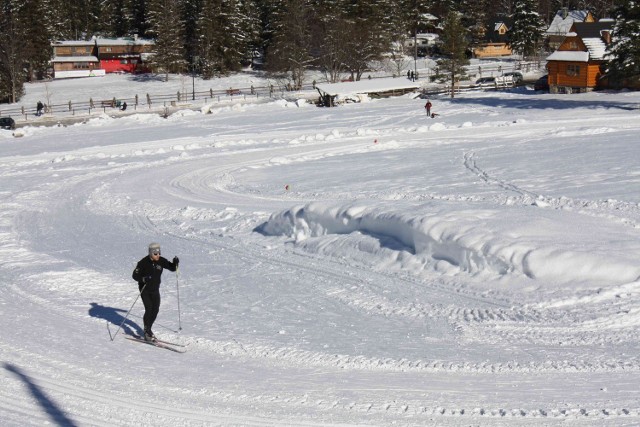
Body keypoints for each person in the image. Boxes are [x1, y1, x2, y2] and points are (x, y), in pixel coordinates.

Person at [132, 243, 179, 341]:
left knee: (156, 309)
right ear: (150, 253)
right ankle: (147, 331)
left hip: (155, 289)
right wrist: (143, 279)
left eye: (159, 253)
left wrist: (175, 263)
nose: (158, 255)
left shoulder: (161, 261)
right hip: (145, 289)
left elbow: (172, 268)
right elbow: (135, 276)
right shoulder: (143, 262)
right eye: (155, 254)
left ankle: (148, 329)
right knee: (149, 309)